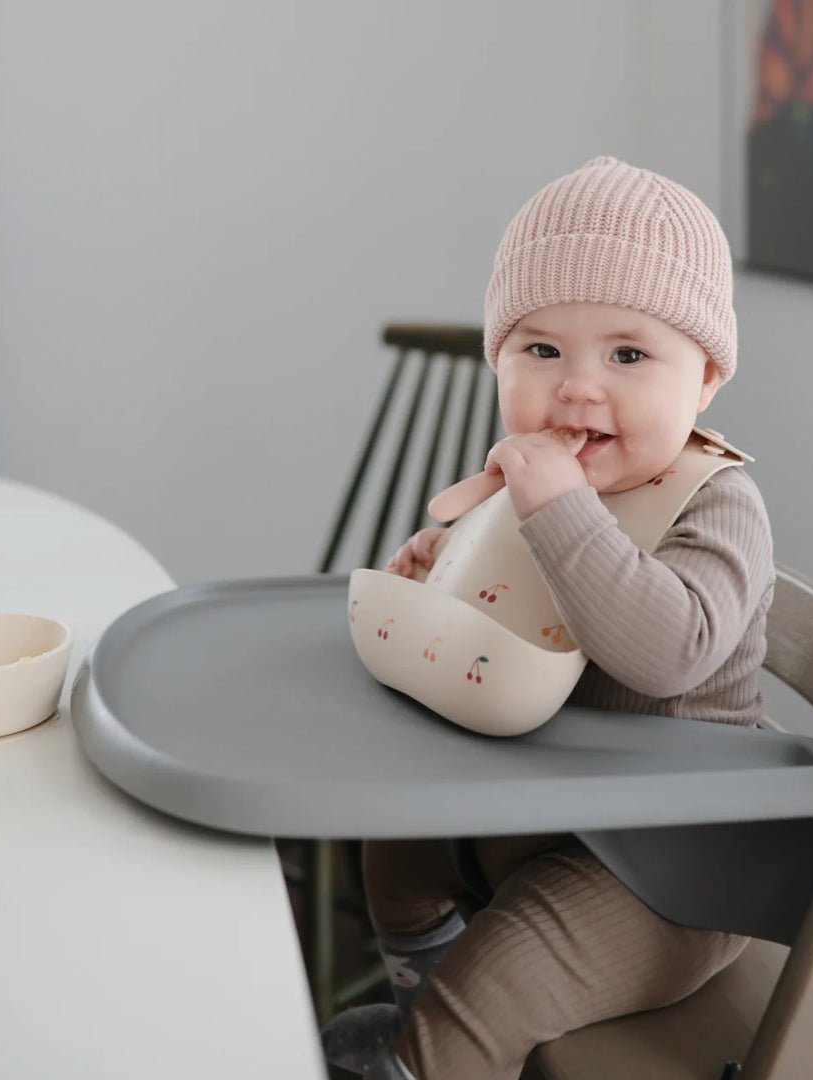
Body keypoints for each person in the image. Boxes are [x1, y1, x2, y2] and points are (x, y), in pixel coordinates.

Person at [322, 156, 775, 1080]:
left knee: (494, 977)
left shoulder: (714, 504)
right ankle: (445, 1043)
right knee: (391, 857)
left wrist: (558, 510)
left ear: (707, 381)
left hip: (671, 861)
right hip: (548, 804)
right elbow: (516, 618)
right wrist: (441, 572)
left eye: (628, 354)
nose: (577, 386)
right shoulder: (539, 488)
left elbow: (667, 653)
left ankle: (439, 1048)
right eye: (541, 350)